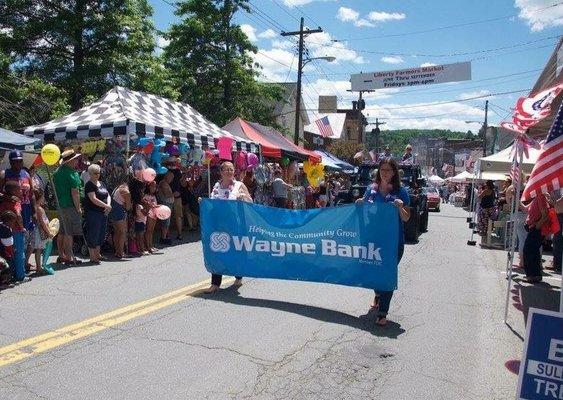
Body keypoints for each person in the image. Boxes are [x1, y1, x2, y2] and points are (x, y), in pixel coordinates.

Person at [356, 158, 410, 326]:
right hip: (373, 238)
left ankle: (382, 312)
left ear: (394, 172)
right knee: (373, 271)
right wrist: (359, 204)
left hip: (393, 241)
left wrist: (400, 208)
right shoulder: (370, 190)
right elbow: (363, 211)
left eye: (388, 170)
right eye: (382, 170)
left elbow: (406, 218)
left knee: (387, 273)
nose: (385, 173)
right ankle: (378, 294)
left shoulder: (402, 192)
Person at [204, 161, 253, 294]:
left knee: (235, 251)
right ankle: (215, 283)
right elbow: (212, 204)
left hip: (234, 225)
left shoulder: (239, 185)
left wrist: (243, 197)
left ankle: (238, 276)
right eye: (226, 169)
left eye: (231, 169)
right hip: (218, 225)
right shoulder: (216, 186)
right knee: (216, 251)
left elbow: (251, 202)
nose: (229, 172)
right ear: (221, 172)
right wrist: (203, 203)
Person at [0, 150, 35, 272]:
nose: (19, 163)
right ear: (10, 162)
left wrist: (35, 211)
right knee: (11, 240)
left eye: (21, 161)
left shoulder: (26, 174)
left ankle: (23, 264)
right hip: (11, 210)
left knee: (26, 239)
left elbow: (32, 195)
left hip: (25, 209)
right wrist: (8, 197)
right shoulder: (5, 174)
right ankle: (12, 268)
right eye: (16, 161)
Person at [52, 149, 83, 265]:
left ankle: (61, 255)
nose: (76, 161)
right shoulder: (72, 173)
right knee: (69, 233)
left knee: (62, 231)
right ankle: (69, 258)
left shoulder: (56, 173)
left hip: (60, 205)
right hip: (70, 205)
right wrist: (78, 208)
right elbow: (74, 192)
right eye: (75, 159)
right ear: (70, 161)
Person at [84, 164, 111, 264]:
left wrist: (108, 204)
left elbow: (107, 195)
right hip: (93, 212)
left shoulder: (102, 183)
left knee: (101, 233)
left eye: (99, 173)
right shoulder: (89, 185)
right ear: (90, 174)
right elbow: (93, 198)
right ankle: (92, 257)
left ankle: (98, 254)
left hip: (103, 212)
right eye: (95, 173)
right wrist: (106, 206)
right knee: (93, 233)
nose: (97, 175)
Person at [0, 182, 27, 282]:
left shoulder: (3, 201)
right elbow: (18, 215)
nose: (21, 191)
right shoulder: (15, 202)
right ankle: (20, 275)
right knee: (19, 253)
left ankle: (9, 275)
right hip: (16, 230)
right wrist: (22, 227)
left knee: (7, 254)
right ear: (14, 191)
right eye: (19, 189)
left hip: (4, 230)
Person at [522, 192, 549, 282]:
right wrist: (517, 199)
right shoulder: (537, 197)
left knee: (528, 251)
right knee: (533, 251)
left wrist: (536, 226)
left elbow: (545, 214)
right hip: (534, 228)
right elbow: (526, 209)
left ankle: (531, 275)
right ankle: (536, 275)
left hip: (536, 229)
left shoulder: (540, 196)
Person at [31, 189, 53, 275]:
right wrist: (48, 232)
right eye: (43, 197)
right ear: (39, 198)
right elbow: (42, 222)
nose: (44, 199)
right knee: (39, 250)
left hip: (39, 231)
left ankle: (39, 267)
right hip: (40, 232)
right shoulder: (39, 209)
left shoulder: (37, 207)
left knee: (39, 250)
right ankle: (39, 268)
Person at [108, 182, 131, 259]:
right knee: (122, 232)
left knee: (117, 232)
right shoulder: (126, 191)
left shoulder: (116, 189)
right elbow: (128, 207)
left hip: (113, 211)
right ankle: (121, 253)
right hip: (119, 211)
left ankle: (117, 252)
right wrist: (127, 204)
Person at [157, 171, 174, 245]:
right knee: (166, 222)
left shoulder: (166, 183)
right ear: (167, 177)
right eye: (171, 177)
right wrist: (174, 194)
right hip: (165, 204)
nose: (172, 179)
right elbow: (166, 194)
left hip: (168, 204)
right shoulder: (163, 183)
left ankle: (165, 236)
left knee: (167, 222)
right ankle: (163, 238)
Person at [0, 211, 15, 288]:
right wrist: (11, 254)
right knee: (6, 266)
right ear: (8, 221)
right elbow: (8, 246)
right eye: (13, 221)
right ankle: (3, 283)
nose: (13, 223)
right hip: (3, 253)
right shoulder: (6, 229)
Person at [143, 181, 159, 253]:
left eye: (155, 187)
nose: (154, 188)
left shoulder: (154, 196)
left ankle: (151, 245)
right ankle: (148, 246)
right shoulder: (145, 196)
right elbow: (146, 205)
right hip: (149, 214)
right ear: (149, 187)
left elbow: (155, 205)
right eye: (152, 186)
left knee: (152, 230)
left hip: (154, 214)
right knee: (148, 230)